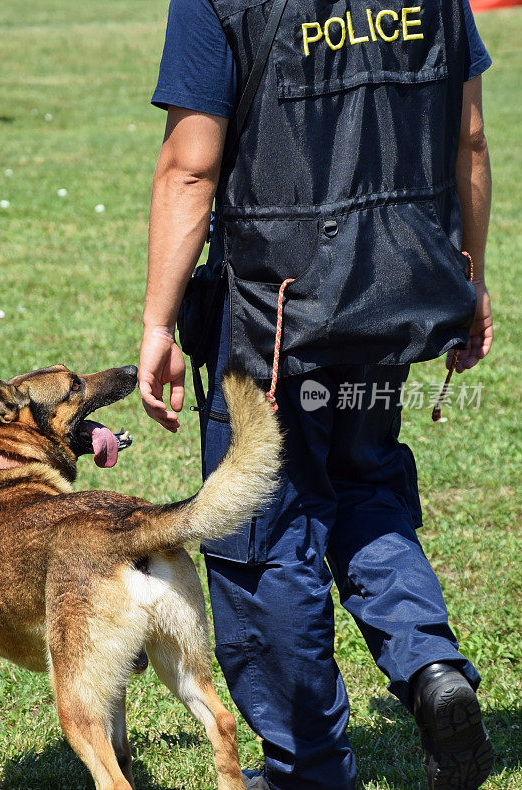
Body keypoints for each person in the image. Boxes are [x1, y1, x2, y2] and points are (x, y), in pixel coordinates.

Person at [137, 0, 494, 787]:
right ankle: (432, 666)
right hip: (393, 291)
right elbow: (468, 136)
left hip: (275, 316)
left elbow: (190, 166)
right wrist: (469, 274)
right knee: (368, 488)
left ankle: (309, 769)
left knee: (264, 539)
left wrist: (159, 321)